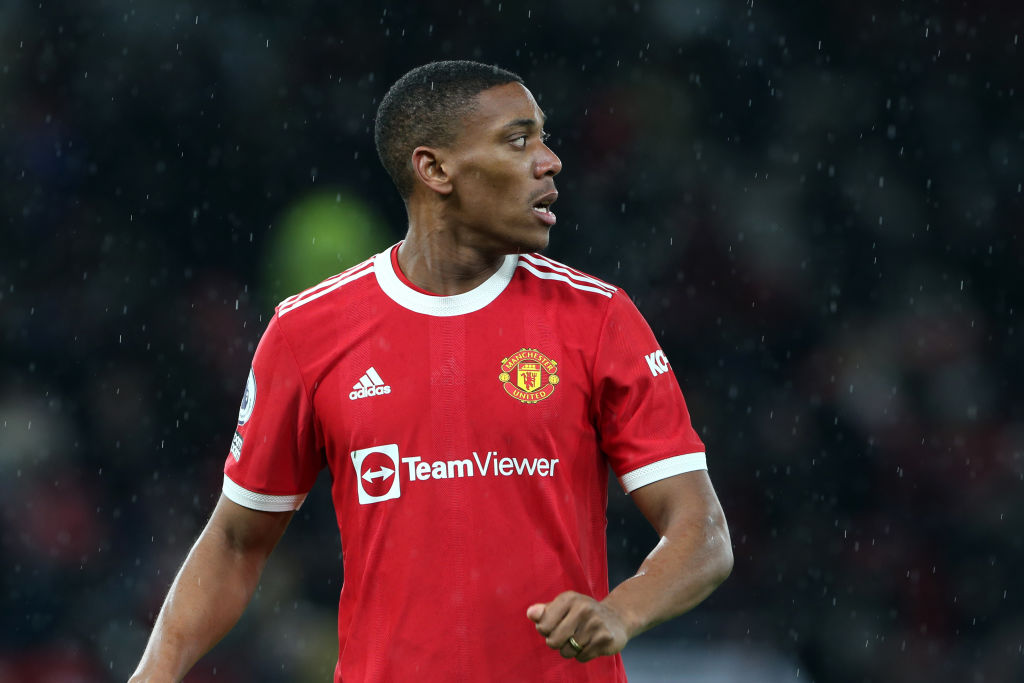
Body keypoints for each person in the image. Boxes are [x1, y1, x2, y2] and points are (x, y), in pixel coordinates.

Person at [129, 60, 733, 682]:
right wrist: (153, 674)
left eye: (543, 138)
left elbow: (704, 532)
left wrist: (621, 611)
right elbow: (236, 541)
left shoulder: (598, 319)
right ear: (435, 170)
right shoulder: (306, 332)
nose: (550, 161)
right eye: (518, 140)